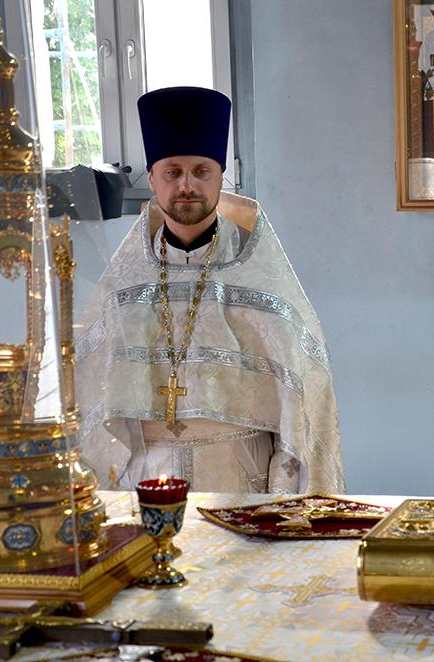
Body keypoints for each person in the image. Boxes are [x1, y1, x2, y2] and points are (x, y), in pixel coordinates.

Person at [78, 86, 343, 495]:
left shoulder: (261, 277)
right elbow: (89, 404)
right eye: (172, 172)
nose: (187, 185)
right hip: (145, 480)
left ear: (221, 176)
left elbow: (303, 407)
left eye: (201, 171)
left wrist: (283, 500)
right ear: (152, 178)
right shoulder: (123, 285)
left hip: (240, 477)